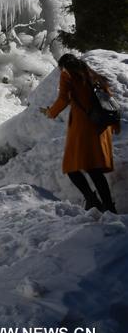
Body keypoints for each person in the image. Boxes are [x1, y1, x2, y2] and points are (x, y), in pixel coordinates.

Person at [42, 53, 119, 213]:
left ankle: (93, 201)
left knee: (71, 167)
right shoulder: (92, 74)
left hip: (83, 127)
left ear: (63, 66)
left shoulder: (67, 74)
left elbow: (63, 99)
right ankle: (108, 207)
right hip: (100, 127)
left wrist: (50, 113)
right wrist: (115, 124)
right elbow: (108, 99)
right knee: (94, 169)